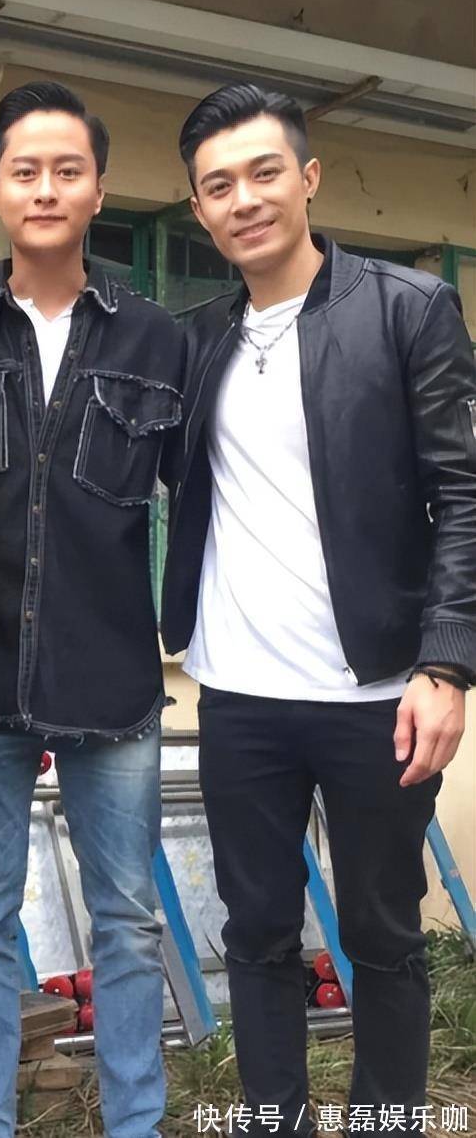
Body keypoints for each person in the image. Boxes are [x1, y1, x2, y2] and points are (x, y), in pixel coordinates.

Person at [162, 83, 476, 1132]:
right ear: (197, 208)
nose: (243, 199)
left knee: (381, 933)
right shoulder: (197, 338)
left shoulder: (407, 309)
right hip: (238, 697)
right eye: (218, 185)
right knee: (254, 931)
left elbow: (464, 493)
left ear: (307, 178)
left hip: (377, 691)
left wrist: (446, 664)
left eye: (263, 173)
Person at [0, 82, 183, 1138]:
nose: (45, 188)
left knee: (126, 917)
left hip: (110, 675)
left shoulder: (155, 340)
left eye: (67, 170)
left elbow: (211, 494)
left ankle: (134, 1123)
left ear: (98, 191)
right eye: (25, 170)